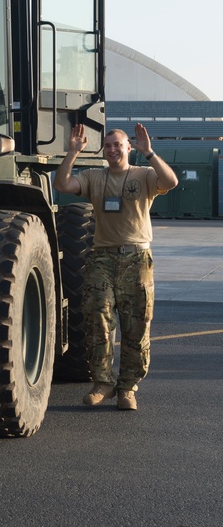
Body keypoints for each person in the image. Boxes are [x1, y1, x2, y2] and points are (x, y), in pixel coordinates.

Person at [53, 123, 178, 410]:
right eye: (107, 146)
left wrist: (150, 153)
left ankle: (127, 388)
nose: (112, 149)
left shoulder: (144, 175)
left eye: (117, 145)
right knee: (97, 319)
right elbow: (62, 185)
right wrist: (72, 153)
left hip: (137, 258)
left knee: (136, 326)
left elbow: (170, 182)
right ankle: (103, 383)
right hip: (102, 258)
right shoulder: (94, 177)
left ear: (128, 148)